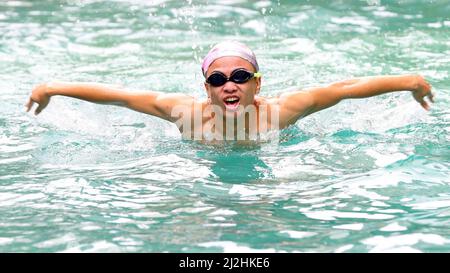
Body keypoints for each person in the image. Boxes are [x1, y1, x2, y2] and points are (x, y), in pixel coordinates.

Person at [26, 41, 434, 141]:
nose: (230, 85)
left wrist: (410, 82)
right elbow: (119, 94)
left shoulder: (280, 111)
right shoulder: (184, 113)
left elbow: (342, 90)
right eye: (218, 80)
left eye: (240, 76)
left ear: (258, 84)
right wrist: (52, 88)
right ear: (206, 89)